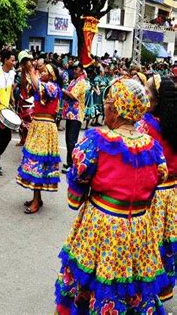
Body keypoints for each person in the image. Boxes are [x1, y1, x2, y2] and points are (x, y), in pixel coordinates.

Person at [55, 78, 169, 314]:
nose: (105, 106)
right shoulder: (152, 147)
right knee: (132, 284)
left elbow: (76, 191)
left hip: (102, 226)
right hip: (139, 228)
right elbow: (154, 186)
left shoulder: (97, 141)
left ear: (115, 108)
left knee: (95, 280)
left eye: (108, 102)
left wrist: (78, 195)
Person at [137, 74, 177, 302]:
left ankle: (146, 295)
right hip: (172, 195)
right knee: (164, 245)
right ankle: (161, 292)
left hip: (152, 195)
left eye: (147, 92)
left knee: (147, 245)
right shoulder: (172, 123)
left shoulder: (146, 126)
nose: (143, 95)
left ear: (156, 100)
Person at [17, 63, 62, 214]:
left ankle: (36, 200)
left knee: (38, 163)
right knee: (36, 163)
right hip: (37, 125)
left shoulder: (53, 87)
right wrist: (25, 70)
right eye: (40, 71)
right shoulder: (41, 86)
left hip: (45, 127)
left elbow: (37, 85)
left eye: (44, 71)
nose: (41, 72)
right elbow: (26, 86)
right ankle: (37, 198)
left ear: (52, 75)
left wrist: (30, 69)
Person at [61, 61, 87, 173]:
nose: (74, 70)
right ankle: (69, 162)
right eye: (73, 69)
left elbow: (72, 95)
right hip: (70, 114)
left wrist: (61, 89)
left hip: (76, 115)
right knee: (68, 140)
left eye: (77, 69)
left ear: (81, 70)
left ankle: (72, 165)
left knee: (72, 140)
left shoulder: (81, 82)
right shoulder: (73, 80)